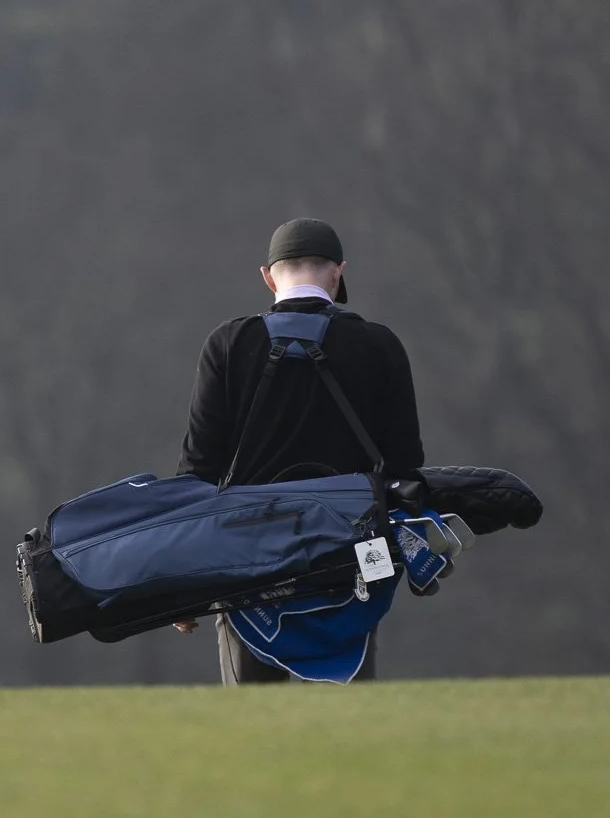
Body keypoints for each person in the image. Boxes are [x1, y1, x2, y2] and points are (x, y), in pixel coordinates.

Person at [172, 218, 426, 684]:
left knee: (252, 727)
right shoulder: (380, 346)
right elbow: (406, 468)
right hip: (349, 557)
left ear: (268, 277)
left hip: (247, 561)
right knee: (348, 719)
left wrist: (187, 585)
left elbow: (198, 475)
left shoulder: (226, 345)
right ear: (337, 274)